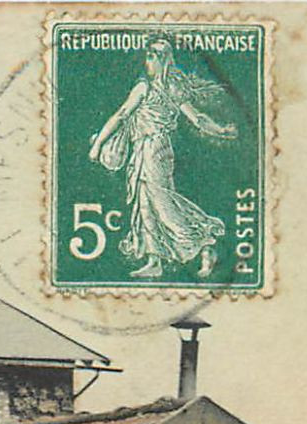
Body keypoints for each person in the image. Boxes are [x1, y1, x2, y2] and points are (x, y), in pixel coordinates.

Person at [87, 35, 238, 279]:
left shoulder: (146, 87)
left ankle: (204, 244)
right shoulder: (171, 89)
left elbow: (121, 115)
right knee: (145, 202)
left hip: (153, 149)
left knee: (161, 203)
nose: (147, 61)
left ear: (162, 60)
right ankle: (154, 260)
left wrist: (98, 146)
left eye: (151, 56)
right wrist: (220, 130)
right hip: (149, 149)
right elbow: (197, 119)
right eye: (147, 56)